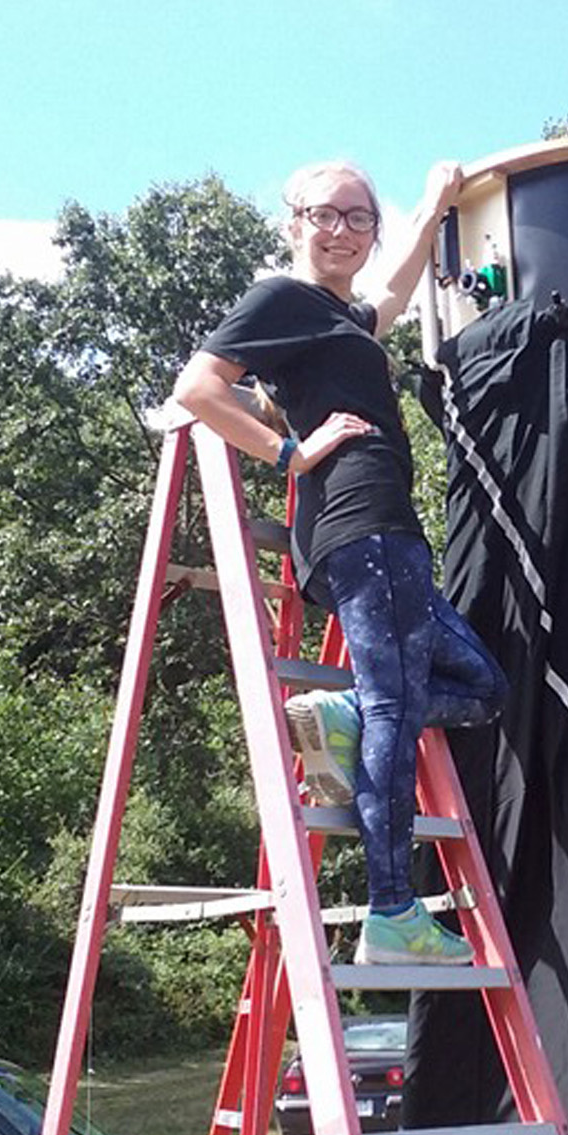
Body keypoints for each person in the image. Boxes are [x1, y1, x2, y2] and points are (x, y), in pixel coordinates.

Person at [174, 157, 506, 965]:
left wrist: (431, 206)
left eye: (360, 218)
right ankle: (392, 911)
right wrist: (289, 451)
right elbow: (197, 387)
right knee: (397, 706)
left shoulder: (337, 321)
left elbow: (386, 299)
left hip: (382, 536)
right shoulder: (280, 299)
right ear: (294, 221)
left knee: (485, 688)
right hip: (361, 525)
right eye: (326, 215)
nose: (343, 231)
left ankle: (347, 717)